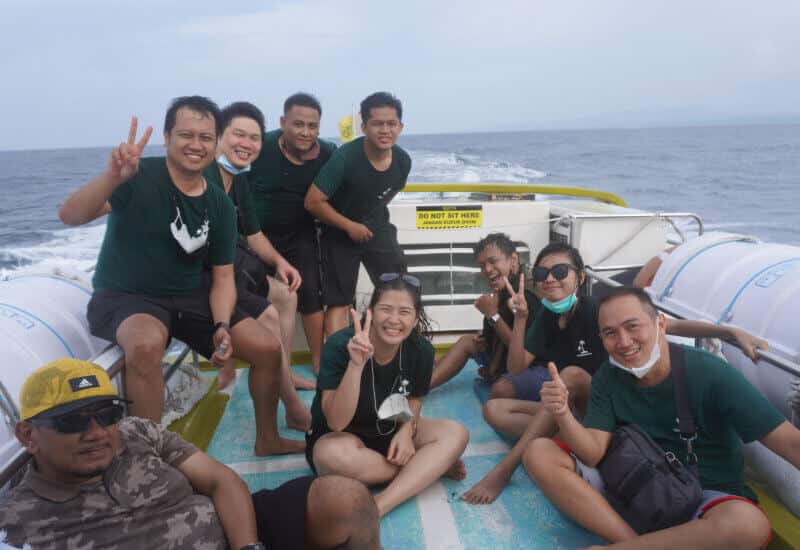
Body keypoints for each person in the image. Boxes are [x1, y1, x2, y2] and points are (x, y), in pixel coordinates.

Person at [58, 96, 301, 456]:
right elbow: (70, 216)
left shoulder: (219, 204)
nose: (196, 145)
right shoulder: (138, 176)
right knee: (145, 346)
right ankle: (147, 457)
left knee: (267, 348)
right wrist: (111, 178)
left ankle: (268, 439)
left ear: (216, 142)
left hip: (191, 294)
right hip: (129, 295)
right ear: (167, 137)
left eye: (206, 137)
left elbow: (222, 278)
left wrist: (221, 325)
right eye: (186, 135)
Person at [463, 242, 769, 505]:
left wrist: (727, 331)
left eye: (560, 272)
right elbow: (517, 368)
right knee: (494, 409)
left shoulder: (600, 312)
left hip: (612, 410)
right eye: (543, 274)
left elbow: (670, 325)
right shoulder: (546, 315)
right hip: (582, 414)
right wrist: (521, 319)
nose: (550, 279)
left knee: (571, 375)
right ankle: (574, 440)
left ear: (581, 277)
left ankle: (505, 470)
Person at [0, 358, 380, 549]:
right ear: (28, 435)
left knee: (345, 498)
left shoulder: (135, 432)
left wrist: (248, 547)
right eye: (72, 421)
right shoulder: (18, 519)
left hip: (235, 533)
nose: (97, 432)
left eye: (107, 414)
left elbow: (220, 480)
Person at [524, 287, 800, 549]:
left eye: (633, 326)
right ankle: (632, 542)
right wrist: (563, 414)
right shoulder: (608, 378)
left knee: (748, 525)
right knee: (539, 452)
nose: (624, 342)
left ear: (661, 324)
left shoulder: (709, 372)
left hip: (703, 497)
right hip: (631, 482)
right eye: (610, 333)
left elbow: (790, 443)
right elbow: (593, 453)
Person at [305, 273, 469, 517]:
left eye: (404, 312)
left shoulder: (421, 350)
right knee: (329, 456)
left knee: (456, 433)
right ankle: (426, 469)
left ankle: (380, 504)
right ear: (370, 312)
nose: (394, 320)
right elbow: (336, 422)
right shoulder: (339, 346)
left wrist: (406, 431)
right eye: (385, 309)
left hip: (389, 430)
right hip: (342, 438)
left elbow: (414, 399)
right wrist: (356, 365)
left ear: (415, 319)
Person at [204, 101, 312, 430]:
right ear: (218, 136)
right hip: (206, 276)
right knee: (268, 315)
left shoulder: (238, 179)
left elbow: (253, 234)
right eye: (238, 134)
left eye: (254, 138)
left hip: (231, 267)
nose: (246, 144)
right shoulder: (202, 177)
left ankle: (285, 371)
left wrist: (281, 262)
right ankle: (292, 405)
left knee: (287, 295)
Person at [305, 91, 410, 338]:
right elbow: (313, 202)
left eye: (391, 124)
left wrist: (370, 215)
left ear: (400, 127)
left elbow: (390, 192)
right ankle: (338, 357)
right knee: (339, 302)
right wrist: (349, 226)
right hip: (339, 232)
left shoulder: (403, 161)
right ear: (364, 127)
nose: (385, 130)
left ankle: (385, 345)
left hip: (377, 228)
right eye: (377, 124)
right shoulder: (345, 158)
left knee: (397, 289)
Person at [248, 92, 337, 376]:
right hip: (255, 234)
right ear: (282, 122)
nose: (305, 132)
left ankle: (319, 360)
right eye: (298, 124)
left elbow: (347, 179)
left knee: (310, 292)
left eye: (312, 126)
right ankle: (258, 360)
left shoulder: (326, 152)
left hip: (300, 233)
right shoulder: (260, 147)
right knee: (249, 294)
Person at [431, 232, 539, 388]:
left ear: (513, 260)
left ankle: (419, 387)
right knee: (467, 342)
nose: (487, 269)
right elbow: (498, 331)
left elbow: (521, 352)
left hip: (523, 366)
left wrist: (491, 314)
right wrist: (485, 340)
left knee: (501, 388)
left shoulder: (527, 296)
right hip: (500, 356)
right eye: (482, 265)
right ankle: (421, 379)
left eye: (493, 261)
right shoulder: (502, 291)